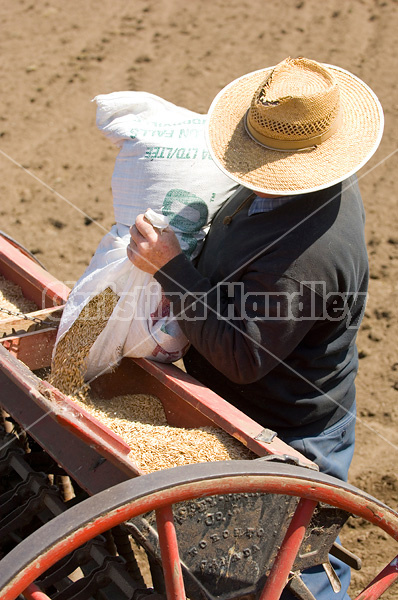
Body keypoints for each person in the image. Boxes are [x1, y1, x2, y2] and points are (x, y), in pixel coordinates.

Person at [127, 57, 384, 599]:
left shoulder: (305, 259)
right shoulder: (290, 191)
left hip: (287, 432)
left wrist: (171, 269)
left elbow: (241, 357)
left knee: (283, 574)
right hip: (247, 402)